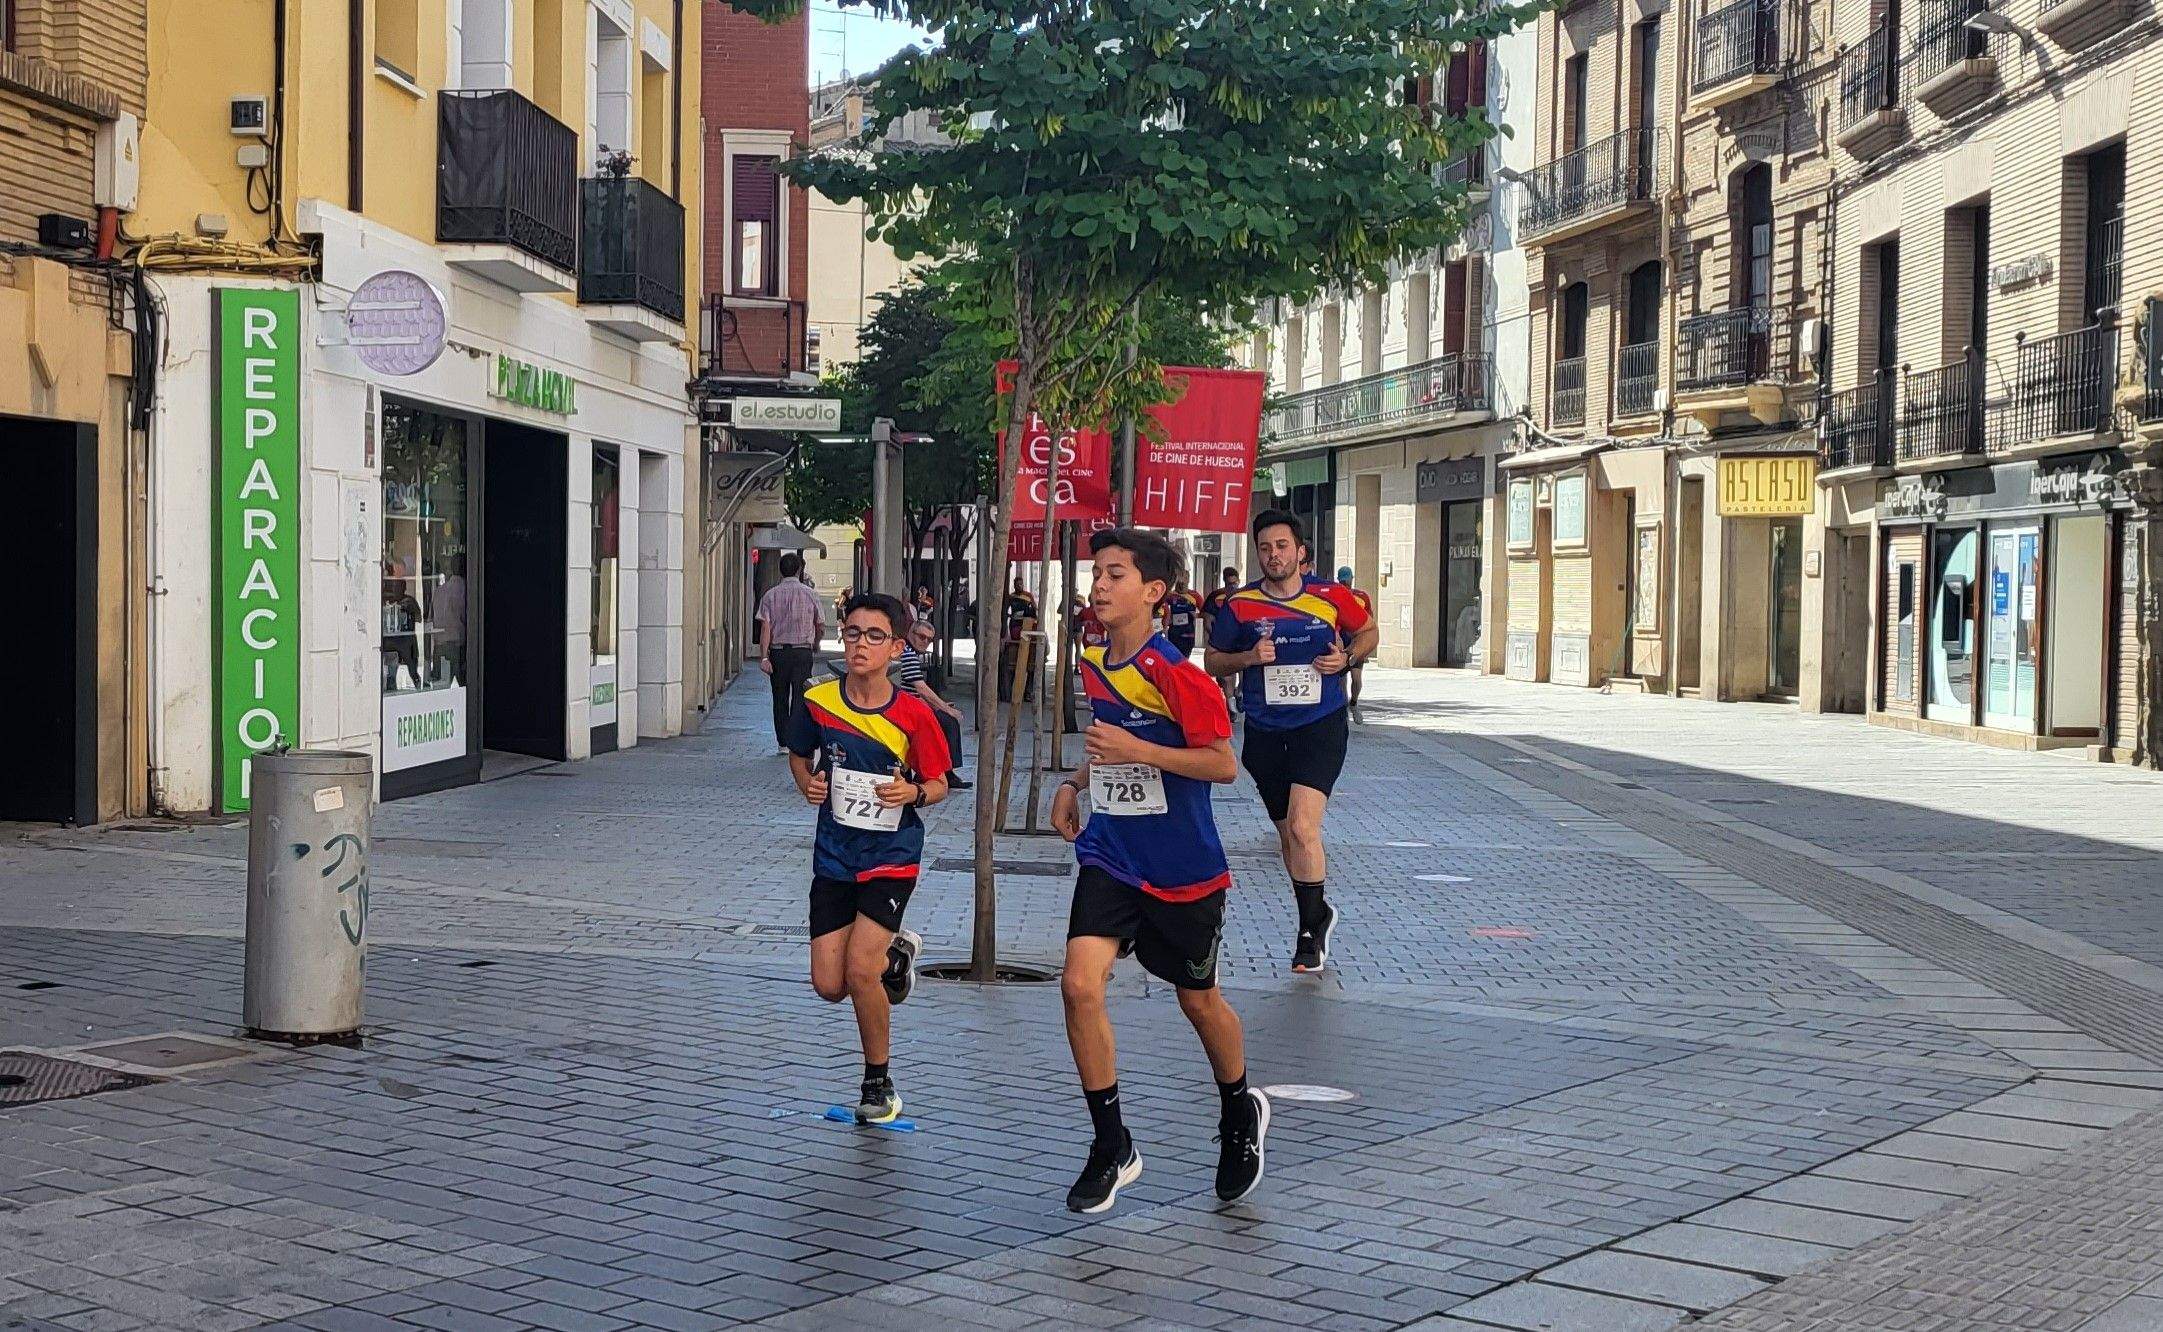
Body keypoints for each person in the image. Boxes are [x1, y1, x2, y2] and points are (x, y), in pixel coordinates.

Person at [1052, 528, 1269, 1213]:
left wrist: (1133, 750)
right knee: (1078, 985)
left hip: (1182, 869)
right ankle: (1111, 1142)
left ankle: (1239, 1112)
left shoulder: (1178, 673)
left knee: (1197, 1001)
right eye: (1097, 572)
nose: (1100, 584)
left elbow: (1220, 763)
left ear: (1153, 593)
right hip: (1112, 854)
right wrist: (1076, 781)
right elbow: (1110, 743)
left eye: (1115, 574)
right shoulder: (1093, 660)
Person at [785, 593, 953, 1124]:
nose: (860, 644)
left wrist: (915, 795)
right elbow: (798, 754)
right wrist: (806, 784)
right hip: (834, 856)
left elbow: (939, 783)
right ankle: (896, 952)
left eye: (874, 636)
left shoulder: (914, 714)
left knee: (860, 971)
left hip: (892, 855)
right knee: (828, 985)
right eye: (852, 632)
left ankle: (879, 1082)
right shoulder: (819, 701)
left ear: (897, 647)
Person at [1206, 511, 1379, 974]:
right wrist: (1246, 657)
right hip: (1264, 732)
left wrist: (1345, 659)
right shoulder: (1239, 606)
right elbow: (1212, 662)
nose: (1274, 555)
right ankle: (1318, 909)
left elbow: (1367, 632)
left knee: (1304, 827)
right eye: (1265, 547)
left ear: (1300, 552)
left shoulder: (1330, 597)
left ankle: (1308, 932)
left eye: (1282, 546)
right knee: (1288, 835)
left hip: (1320, 724)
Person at [757, 554, 826, 755]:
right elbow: (820, 624)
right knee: (800, 696)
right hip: (802, 652)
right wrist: (816, 642)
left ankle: (783, 742)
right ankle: (796, 738)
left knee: (779, 697)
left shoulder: (770, 595)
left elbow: (765, 628)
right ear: (798, 570)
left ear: (781, 570)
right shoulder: (811, 594)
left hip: (778, 652)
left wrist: (764, 657)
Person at [899, 620, 972, 791]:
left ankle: (944, 771)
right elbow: (921, 689)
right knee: (948, 721)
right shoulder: (908, 655)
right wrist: (947, 709)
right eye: (921, 637)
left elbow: (916, 692)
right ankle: (945, 771)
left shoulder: (910, 653)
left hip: (911, 704)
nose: (925, 642)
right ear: (911, 633)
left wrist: (940, 706)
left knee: (944, 720)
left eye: (929, 640)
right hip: (906, 709)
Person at [1335, 566, 1376, 721]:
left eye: (1347, 580)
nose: (1346, 582)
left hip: (1355, 639)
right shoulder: (1335, 594)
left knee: (1356, 678)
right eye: (1344, 580)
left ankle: (1353, 703)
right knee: (1342, 676)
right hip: (1341, 638)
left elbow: (1368, 619)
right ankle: (1344, 707)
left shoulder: (1361, 596)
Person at [1200, 568, 1243, 714]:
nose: (1232, 587)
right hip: (1223, 642)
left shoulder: (1244, 595)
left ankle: (1239, 693)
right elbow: (1207, 619)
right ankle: (1231, 703)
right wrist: (1215, 638)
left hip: (1240, 640)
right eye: (1229, 584)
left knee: (1243, 667)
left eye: (1235, 583)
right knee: (1226, 675)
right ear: (1224, 582)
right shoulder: (1216, 597)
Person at [999, 576, 1040, 702]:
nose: (1019, 586)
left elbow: (1035, 609)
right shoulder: (1011, 597)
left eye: (1021, 584)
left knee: (1031, 666)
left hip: (1027, 628)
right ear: (1014, 585)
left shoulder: (1028, 596)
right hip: (1015, 626)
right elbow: (1005, 611)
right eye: (1017, 584)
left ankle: (1028, 691)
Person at [1161, 576, 1204, 658]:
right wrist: (1166, 621)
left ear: (1188, 581)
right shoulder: (1169, 595)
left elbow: (1205, 612)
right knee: (1172, 659)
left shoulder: (1194, 595)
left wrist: (1196, 615)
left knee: (1184, 660)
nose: (1181, 586)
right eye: (1179, 584)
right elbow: (1162, 612)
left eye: (1183, 584)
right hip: (1173, 634)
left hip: (1188, 633)